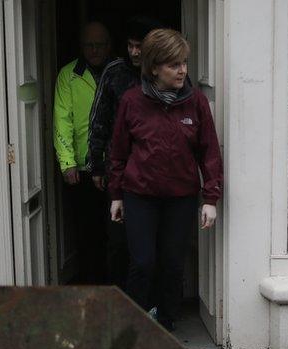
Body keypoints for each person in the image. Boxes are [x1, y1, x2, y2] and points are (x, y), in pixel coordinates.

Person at [108, 29, 222, 331]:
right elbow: (118, 151)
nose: (182, 70)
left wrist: (210, 198)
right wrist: (116, 195)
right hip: (140, 194)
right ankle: (135, 322)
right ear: (154, 67)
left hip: (181, 197)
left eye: (183, 62)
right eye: (174, 64)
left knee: (173, 264)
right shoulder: (132, 101)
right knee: (143, 262)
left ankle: (167, 320)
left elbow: (209, 152)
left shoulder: (195, 102)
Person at [87, 15, 162, 292]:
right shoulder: (114, 72)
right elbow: (99, 118)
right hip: (118, 171)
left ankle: (151, 302)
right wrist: (96, 164)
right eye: (130, 46)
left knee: (152, 243)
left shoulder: (165, 73)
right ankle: (117, 297)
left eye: (139, 46)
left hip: (154, 172)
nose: (134, 52)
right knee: (118, 240)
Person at [54, 21, 111, 283]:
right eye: (89, 45)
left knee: (117, 233)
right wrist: (67, 163)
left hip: (116, 168)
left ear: (108, 45)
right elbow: (62, 120)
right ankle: (93, 286)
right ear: (81, 46)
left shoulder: (117, 71)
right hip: (84, 168)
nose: (94, 50)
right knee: (88, 233)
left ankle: (117, 286)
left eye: (99, 44)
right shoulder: (69, 74)